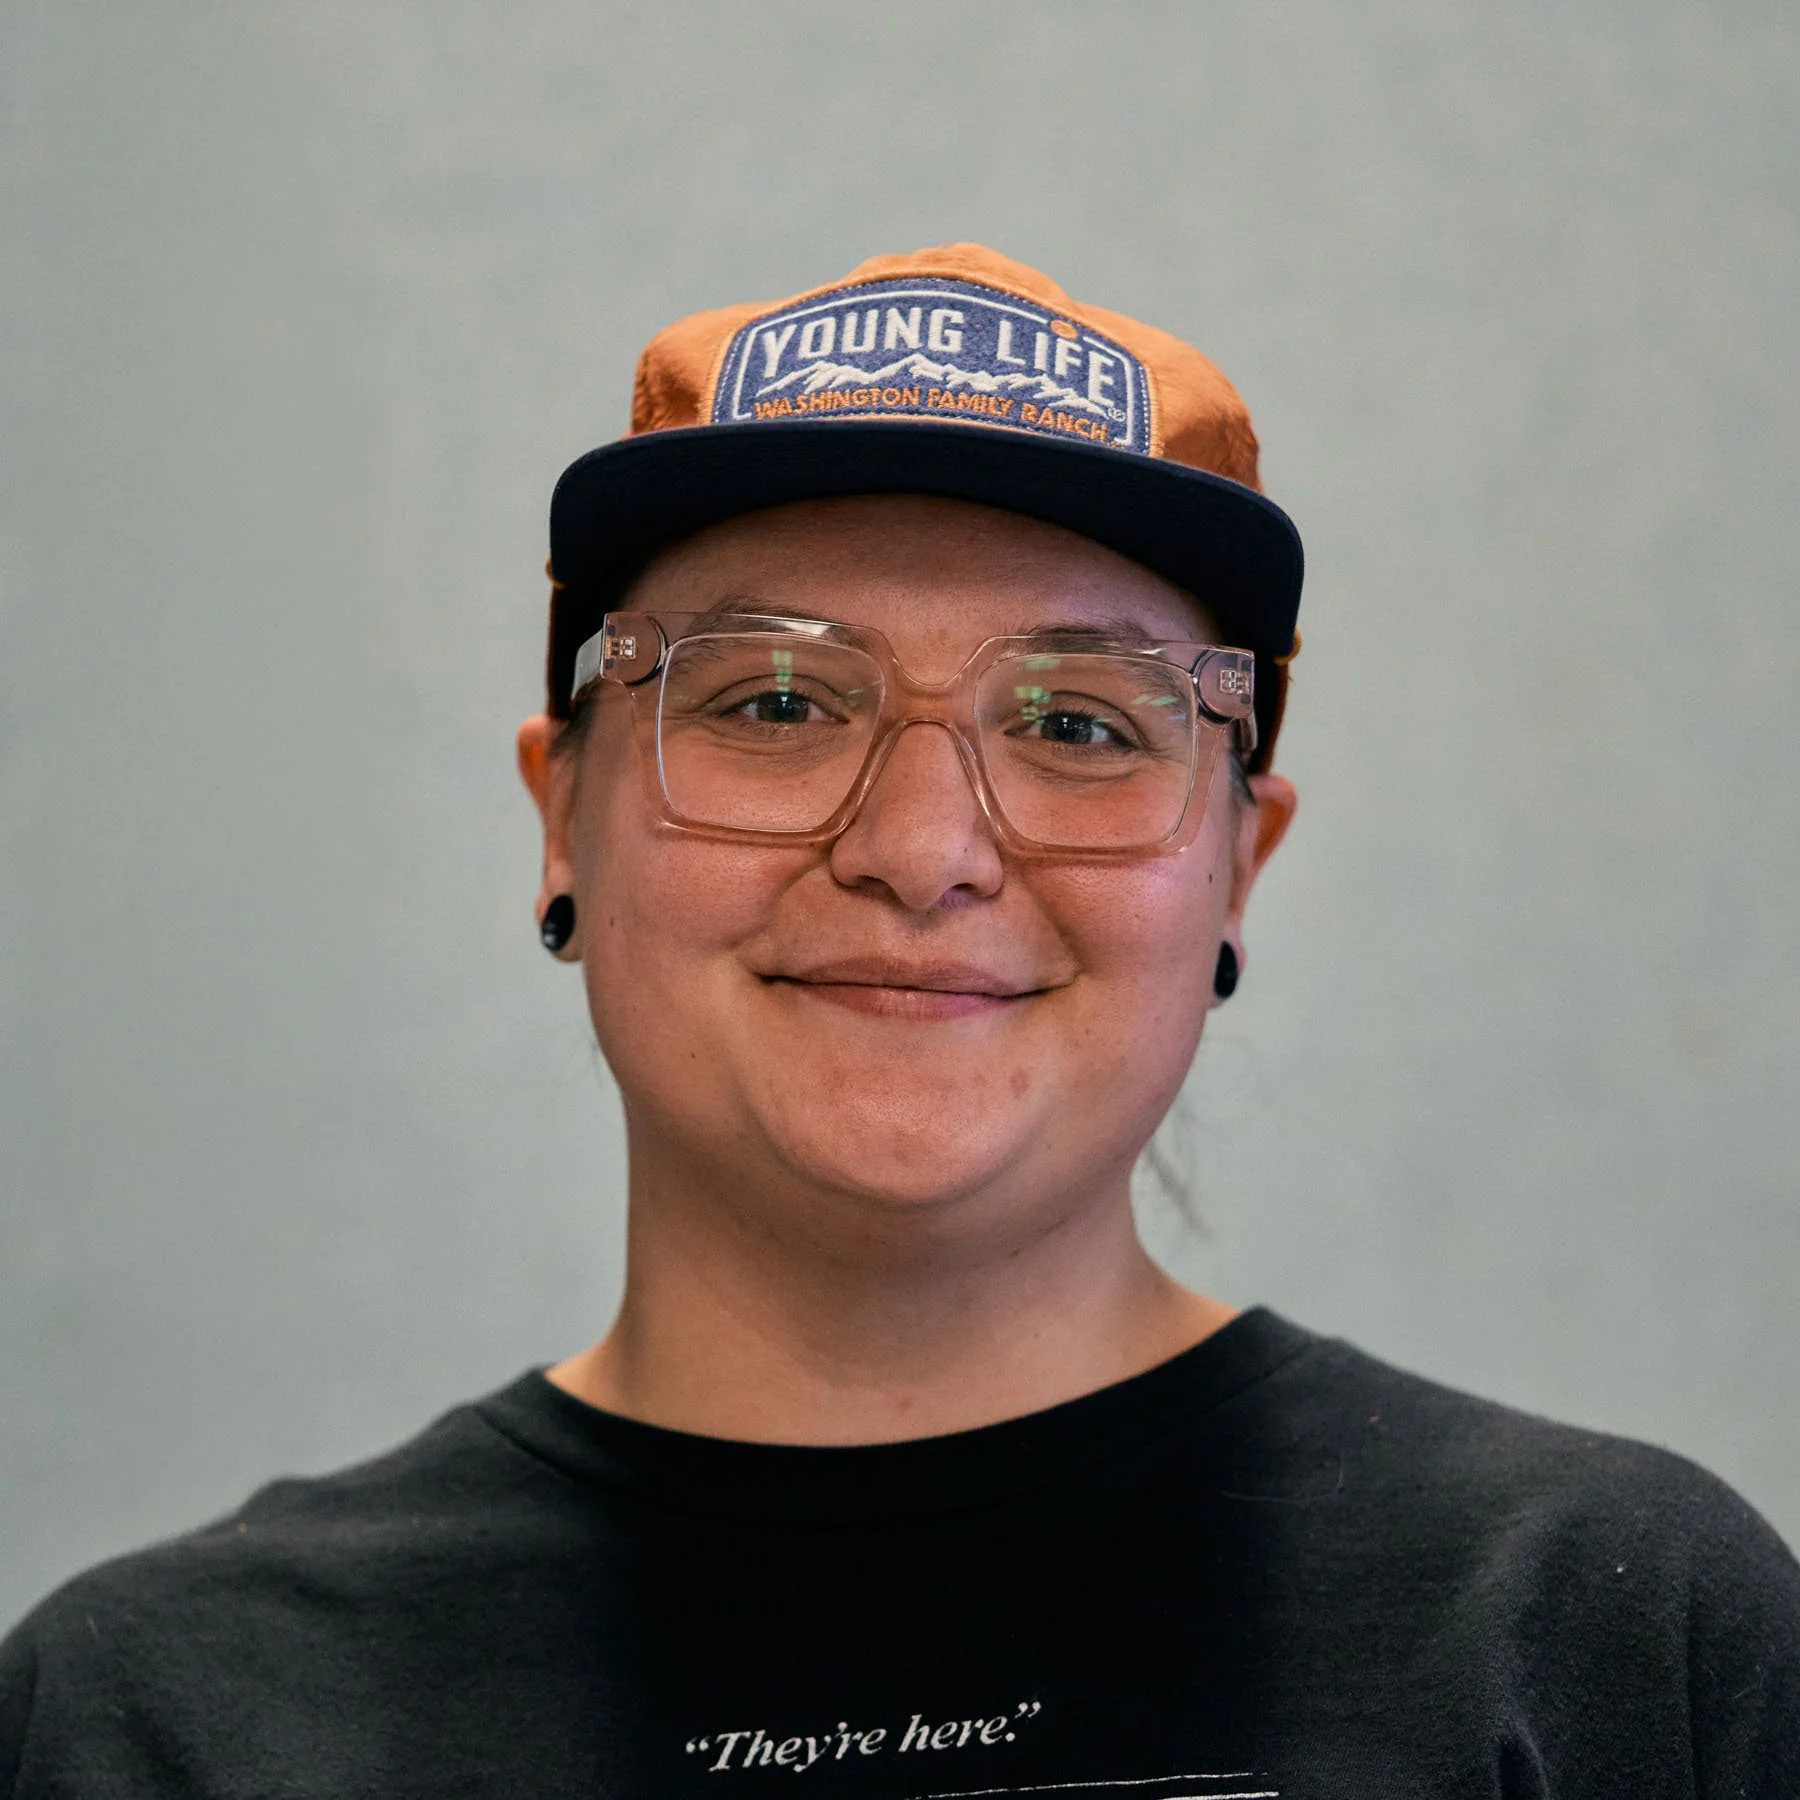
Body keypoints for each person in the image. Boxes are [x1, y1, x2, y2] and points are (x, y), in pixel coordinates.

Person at [2, 243, 1795, 1799]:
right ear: (562, 817)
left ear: (1239, 868)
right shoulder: (162, 1714)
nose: (922, 850)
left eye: (1085, 725)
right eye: (775, 700)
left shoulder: (1610, 1635)